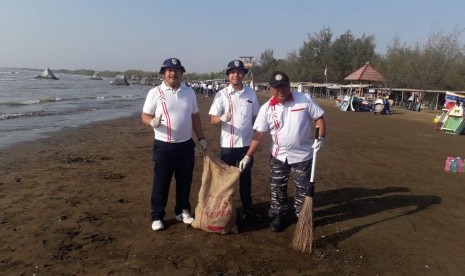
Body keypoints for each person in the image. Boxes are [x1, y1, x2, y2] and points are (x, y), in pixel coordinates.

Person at [238, 71, 326, 232]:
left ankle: (301, 215)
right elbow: (259, 134)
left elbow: (319, 119)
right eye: (276, 87)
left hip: (303, 156)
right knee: (277, 188)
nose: (281, 91)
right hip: (278, 156)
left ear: (289, 86)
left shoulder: (304, 100)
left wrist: (321, 139)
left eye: (284, 86)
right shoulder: (266, 109)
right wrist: (247, 156)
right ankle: (278, 215)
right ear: (271, 88)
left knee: (303, 189)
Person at [141, 58, 207, 231]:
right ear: (163, 73)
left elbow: (195, 117)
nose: (173, 73)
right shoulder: (155, 92)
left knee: (185, 181)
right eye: (169, 70)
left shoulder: (189, 92)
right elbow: (145, 116)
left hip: (185, 145)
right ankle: (157, 216)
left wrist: (201, 138)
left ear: (181, 73)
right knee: (161, 182)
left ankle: (182, 211)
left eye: (177, 70)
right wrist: (152, 122)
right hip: (164, 146)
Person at [208, 60, 261, 221]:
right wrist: (222, 118)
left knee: (246, 178)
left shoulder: (251, 93)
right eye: (232, 72)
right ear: (228, 75)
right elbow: (213, 120)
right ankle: (225, 210)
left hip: (246, 145)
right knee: (226, 179)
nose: (236, 75)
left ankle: (247, 208)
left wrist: (257, 141)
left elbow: (256, 119)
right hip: (228, 146)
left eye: (239, 72)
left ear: (244, 75)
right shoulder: (221, 94)